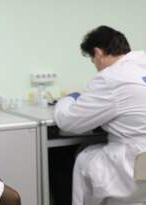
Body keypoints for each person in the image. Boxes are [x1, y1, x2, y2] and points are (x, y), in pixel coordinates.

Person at [54, 26, 146, 205]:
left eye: (93, 61)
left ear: (98, 53)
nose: (96, 67)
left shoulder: (111, 77)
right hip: (141, 158)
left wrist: (68, 99)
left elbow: (68, 121)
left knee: (71, 156)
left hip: (134, 166)